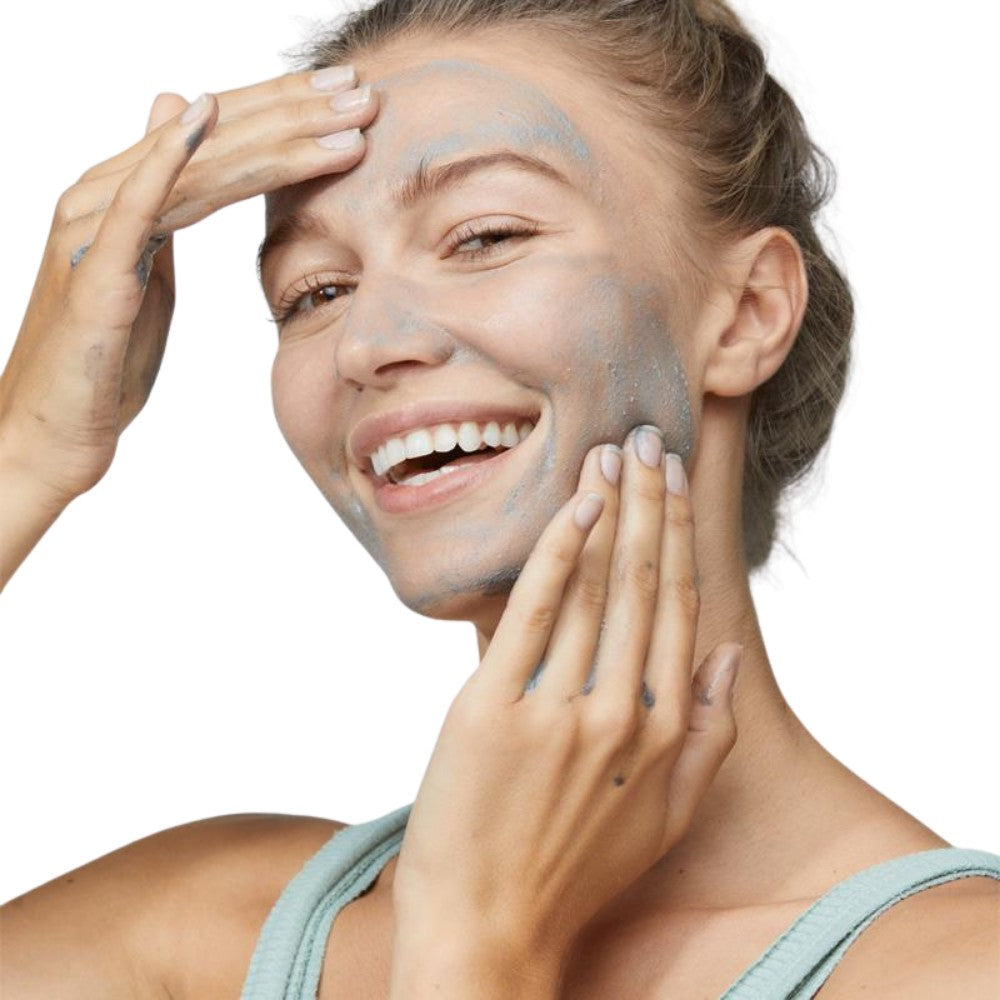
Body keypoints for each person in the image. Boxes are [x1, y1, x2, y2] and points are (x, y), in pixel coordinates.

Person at [2, 1, 998, 997]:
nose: (364, 344)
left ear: (745, 312)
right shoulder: (195, 934)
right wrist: (26, 451)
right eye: (315, 292)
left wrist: (480, 945)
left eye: (484, 236)